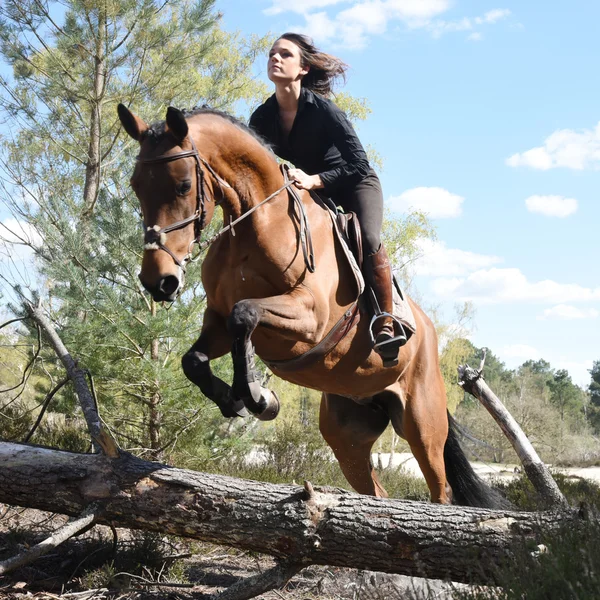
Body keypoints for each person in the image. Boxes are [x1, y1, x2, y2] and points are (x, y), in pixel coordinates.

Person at [249, 32, 406, 365]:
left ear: (303, 69)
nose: (275, 58)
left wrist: (314, 179)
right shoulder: (262, 118)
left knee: (369, 235)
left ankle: (387, 321)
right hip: (312, 191)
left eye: (285, 54)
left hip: (355, 184)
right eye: (272, 53)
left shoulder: (323, 110)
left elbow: (359, 163)